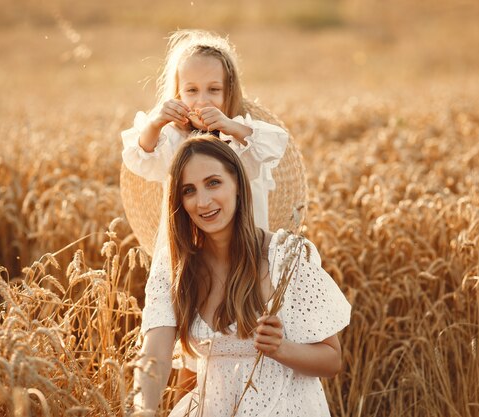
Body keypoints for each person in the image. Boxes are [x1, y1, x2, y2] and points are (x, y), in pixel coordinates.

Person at [133, 135, 351, 416]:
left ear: (237, 184)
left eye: (213, 182)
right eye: (189, 190)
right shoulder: (174, 265)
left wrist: (281, 348)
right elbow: (154, 356)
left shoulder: (287, 256)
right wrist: (143, 410)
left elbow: (331, 360)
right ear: (179, 202)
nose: (203, 201)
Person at [121, 29, 289, 231]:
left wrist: (230, 125)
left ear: (229, 92)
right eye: (191, 90)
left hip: (243, 243)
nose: (202, 101)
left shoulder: (240, 139)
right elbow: (140, 157)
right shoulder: (174, 139)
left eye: (214, 89)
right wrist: (155, 123)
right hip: (189, 245)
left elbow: (276, 142)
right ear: (178, 94)